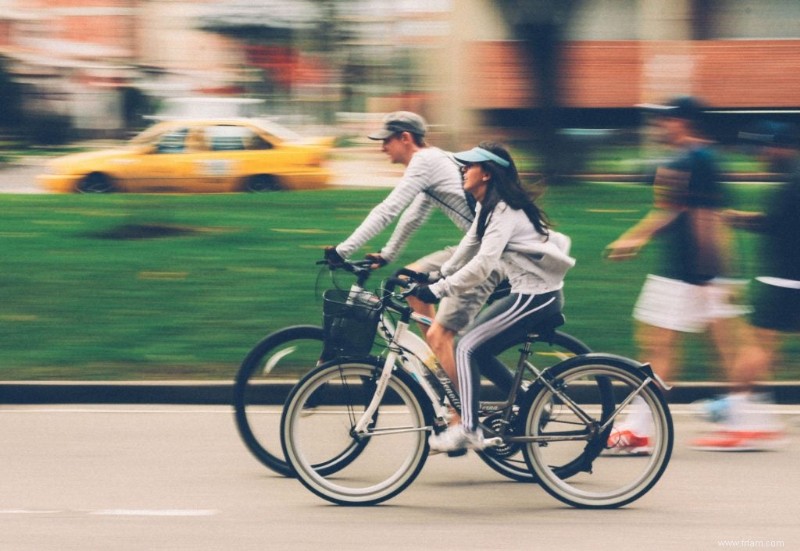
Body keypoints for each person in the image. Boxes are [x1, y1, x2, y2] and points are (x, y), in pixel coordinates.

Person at [409, 142, 575, 452]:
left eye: (469, 166)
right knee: (479, 351)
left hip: (536, 297)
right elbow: (467, 250)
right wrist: (434, 275)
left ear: (486, 173)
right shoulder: (489, 208)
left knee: (466, 347)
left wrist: (438, 290)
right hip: (528, 294)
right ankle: (527, 401)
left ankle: (468, 429)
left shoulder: (504, 210)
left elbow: (483, 265)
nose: (462, 170)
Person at [323, 111, 503, 390]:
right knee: (409, 280)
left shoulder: (424, 161)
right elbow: (414, 216)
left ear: (405, 138)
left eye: (386, 140)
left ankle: (462, 407)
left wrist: (343, 250)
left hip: (487, 253)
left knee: (441, 332)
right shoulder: (433, 161)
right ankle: (439, 364)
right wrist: (387, 254)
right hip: (476, 245)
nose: (382, 147)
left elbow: (389, 209)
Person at [605, 96, 744, 454]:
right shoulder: (698, 158)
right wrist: (634, 239)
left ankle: (640, 430)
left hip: (689, 273)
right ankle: (742, 420)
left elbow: (703, 216)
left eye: (665, 120)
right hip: (695, 272)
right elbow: (680, 212)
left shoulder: (694, 159)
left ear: (683, 122)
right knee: (704, 347)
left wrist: (709, 273)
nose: (659, 126)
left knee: (662, 346)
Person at [690, 121, 798, 451]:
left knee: (754, 347)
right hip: (790, 277)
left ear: (782, 147)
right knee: (766, 349)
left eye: (766, 148)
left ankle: (738, 421)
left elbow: (773, 224)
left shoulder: (794, 182)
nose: (762, 155)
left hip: (785, 278)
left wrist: (734, 217)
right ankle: (756, 418)